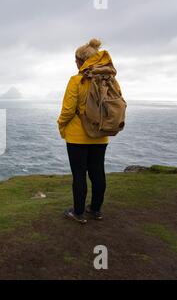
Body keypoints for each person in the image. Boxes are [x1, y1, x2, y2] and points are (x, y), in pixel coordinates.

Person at [58, 38, 111, 224]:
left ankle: (78, 213)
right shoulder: (109, 79)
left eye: (76, 60)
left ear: (81, 61)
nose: (75, 63)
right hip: (100, 135)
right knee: (98, 172)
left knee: (79, 174)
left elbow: (67, 110)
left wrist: (61, 125)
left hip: (77, 137)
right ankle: (96, 210)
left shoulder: (76, 80)